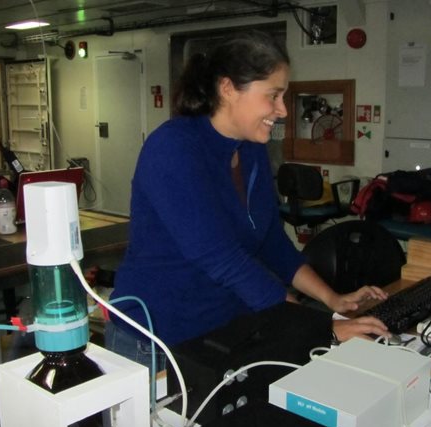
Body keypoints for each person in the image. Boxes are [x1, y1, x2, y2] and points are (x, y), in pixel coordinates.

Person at [105, 30, 390, 373]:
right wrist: (320, 327)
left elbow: (270, 238)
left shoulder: (251, 149)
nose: (282, 110)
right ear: (228, 89)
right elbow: (222, 259)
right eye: (274, 95)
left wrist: (332, 301)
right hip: (155, 339)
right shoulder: (173, 149)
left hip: (220, 330)